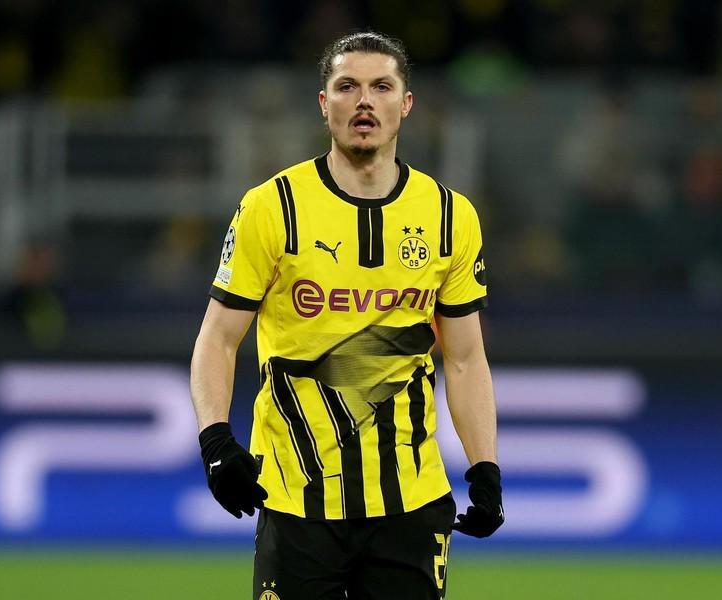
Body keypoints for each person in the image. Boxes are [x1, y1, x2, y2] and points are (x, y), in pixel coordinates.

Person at [190, 31, 504, 600]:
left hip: (411, 501)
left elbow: (464, 358)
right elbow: (218, 337)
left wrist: (485, 468)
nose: (364, 101)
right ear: (323, 102)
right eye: (347, 86)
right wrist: (215, 442)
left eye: (381, 87)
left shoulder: (450, 216)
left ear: (406, 104)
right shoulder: (272, 207)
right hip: (296, 499)